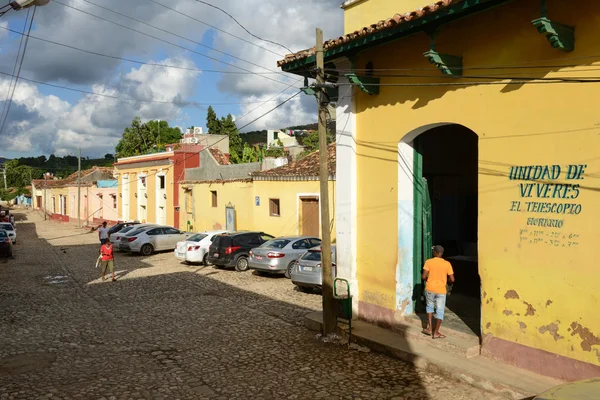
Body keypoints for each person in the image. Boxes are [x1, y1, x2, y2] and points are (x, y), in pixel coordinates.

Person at [422, 245, 455, 339]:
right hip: (441, 290)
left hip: (430, 288)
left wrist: (429, 280)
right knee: (440, 311)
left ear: (435, 252)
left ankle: (429, 328)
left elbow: (424, 277)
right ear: (441, 253)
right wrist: (445, 281)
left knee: (429, 307)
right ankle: (436, 332)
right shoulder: (447, 264)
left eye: (433, 251)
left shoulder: (429, 262)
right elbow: (452, 279)